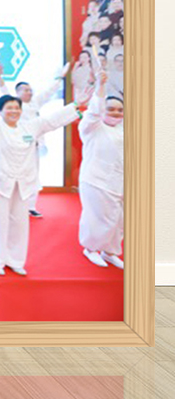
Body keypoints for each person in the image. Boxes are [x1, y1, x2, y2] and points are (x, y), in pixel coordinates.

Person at [0, 76, 81, 276]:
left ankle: (15, 259)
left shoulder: (31, 126)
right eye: (9, 108)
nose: (14, 111)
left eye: (17, 108)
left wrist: (76, 105)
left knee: (19, 222)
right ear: (0, 111)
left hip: (23, 182)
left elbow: (52, 120)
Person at [0, 61, 71, 218]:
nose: (29, 92)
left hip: (34, 146)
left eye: (30, 90)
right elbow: (3, 89)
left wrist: (61, 76)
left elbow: (50, 90)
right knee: (14, 175)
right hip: (15, 146)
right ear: (17, 92)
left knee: (33, 175)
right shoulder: (13, 104)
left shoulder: (36, 102)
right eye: (25, 90)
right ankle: (11, 205)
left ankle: (30, 206)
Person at [78, 70, 124, 269]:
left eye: (120, 110)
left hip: (119, 183)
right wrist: (100, 86)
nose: (116, 113)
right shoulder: (92, 127)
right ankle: (91, 249)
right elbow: (94, 111)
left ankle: (110, 252)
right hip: (96, 181)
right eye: (111, 109)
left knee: (119, 220)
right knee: (98, 218)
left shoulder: (124, 129)